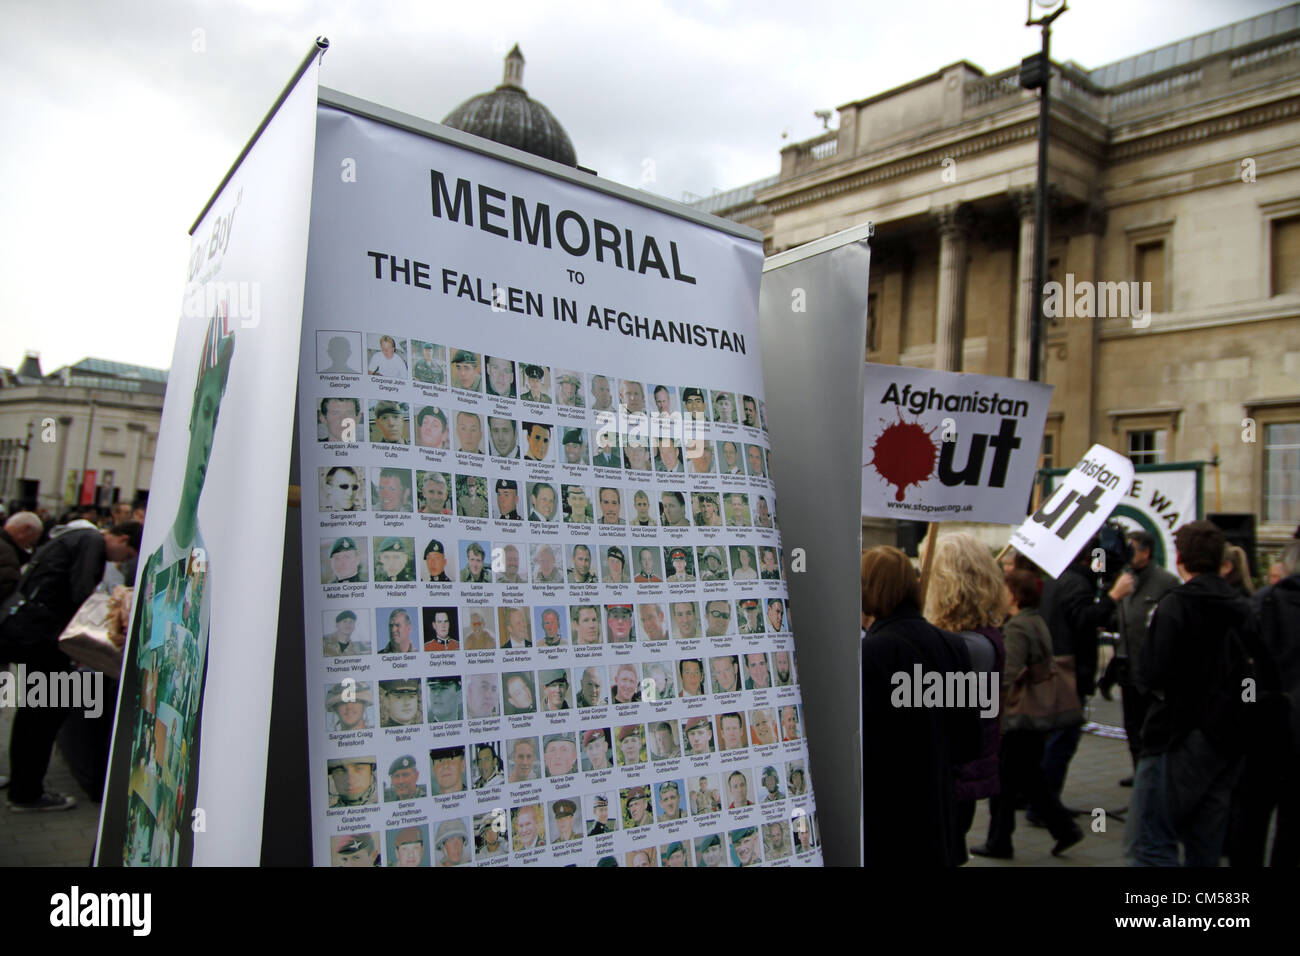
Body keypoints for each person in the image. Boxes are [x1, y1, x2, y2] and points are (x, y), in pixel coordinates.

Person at [1127, 521, 1273, 867]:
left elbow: (1150, 673)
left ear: (1180, 558)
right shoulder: (1241, 605)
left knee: (1150, 842)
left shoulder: (1176, 605)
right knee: (1205, 843)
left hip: (1177, 735)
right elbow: (1256, 673)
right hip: (1228, 739)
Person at [860, 545, 981, 866]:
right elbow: (970, 740)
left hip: (890, 819)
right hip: (939, 813)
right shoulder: (954, 645)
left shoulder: (869, 654)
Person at [971, 567, 1081, 860]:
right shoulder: (1035, 620)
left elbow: (1009, 671)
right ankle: (1064, 829)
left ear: (1015, 595)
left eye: (1005, 590)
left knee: (1005, 782)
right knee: (1031, 778)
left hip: (1017, 716)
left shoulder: (1018, 627)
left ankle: (999, 842)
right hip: (1034, 715)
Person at [922, 532, 1009, 861]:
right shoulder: (973, 637)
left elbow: (937, 709)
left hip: (955, 776)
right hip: (961, 773)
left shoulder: (970, 646)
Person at [1039, 533, 1135, 804]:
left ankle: (1039, 800)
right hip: (1069, 672)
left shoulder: (1057, 579)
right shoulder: (1077, 584)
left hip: (1054, 667)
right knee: (1063, 737)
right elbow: (1083, 618)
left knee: (1053, 736)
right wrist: (1113, 597)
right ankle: (1045, 803)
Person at [1103, 531, 1181, 783]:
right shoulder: (1124, 579)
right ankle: (1139, 772)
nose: (1127, 555)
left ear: (1146, 552)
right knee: (1131, 725)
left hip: (1150, 667)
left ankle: (1154, 775)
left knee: (1152, 726)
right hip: (1126, 664)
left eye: (1132, 550)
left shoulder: (1165, 582)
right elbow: (1117, 618)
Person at [1240, 542, 1300, 866]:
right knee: (1291, 820)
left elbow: (1245, 670)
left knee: (1252, 812)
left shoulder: (1264, 602)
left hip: (1265, 721)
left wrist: (1247, 702)